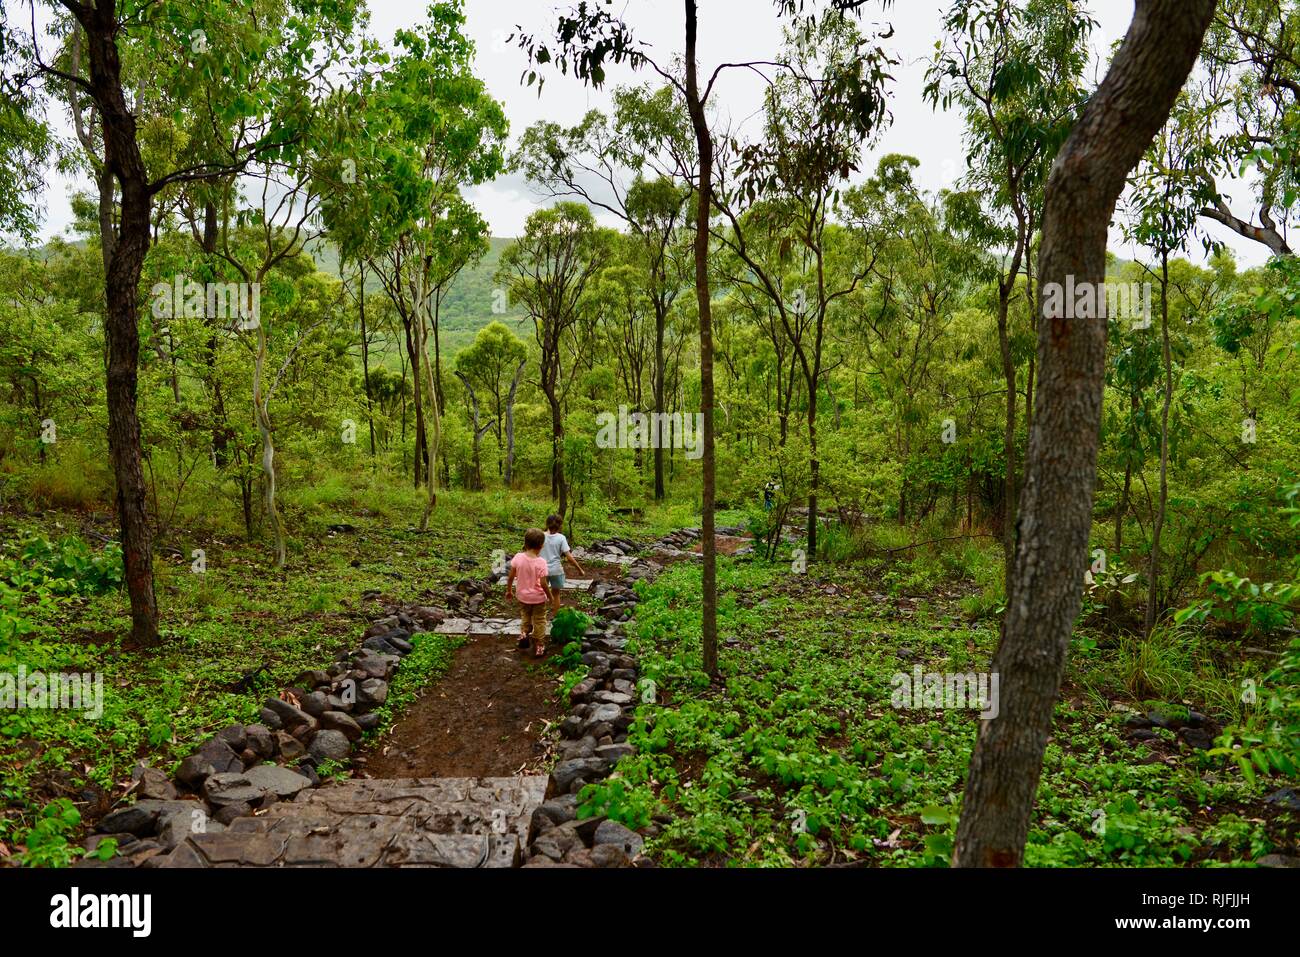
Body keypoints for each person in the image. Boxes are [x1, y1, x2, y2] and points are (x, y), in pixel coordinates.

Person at [506, 528, 553, 657]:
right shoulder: (541, 562)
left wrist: (509, 590)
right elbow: (543, 583)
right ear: (541, 545)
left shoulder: (518, 558)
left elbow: (510, 577)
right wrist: (550, 597)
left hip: (523, 596)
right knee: (539, 620)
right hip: (538, 598)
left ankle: (524, 634)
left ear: (525, 544)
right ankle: (539, 645)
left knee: (525, 616)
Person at [540, 514, 585, 618]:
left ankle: (541, 617)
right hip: (556, 570)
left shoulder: (541, 536)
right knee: (556, 595)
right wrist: (580, 569)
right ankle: (555, 617)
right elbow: (569, 557)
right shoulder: (561, 538)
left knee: (542, 595)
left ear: (547, 524)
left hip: (542, 571)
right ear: (560, 526)